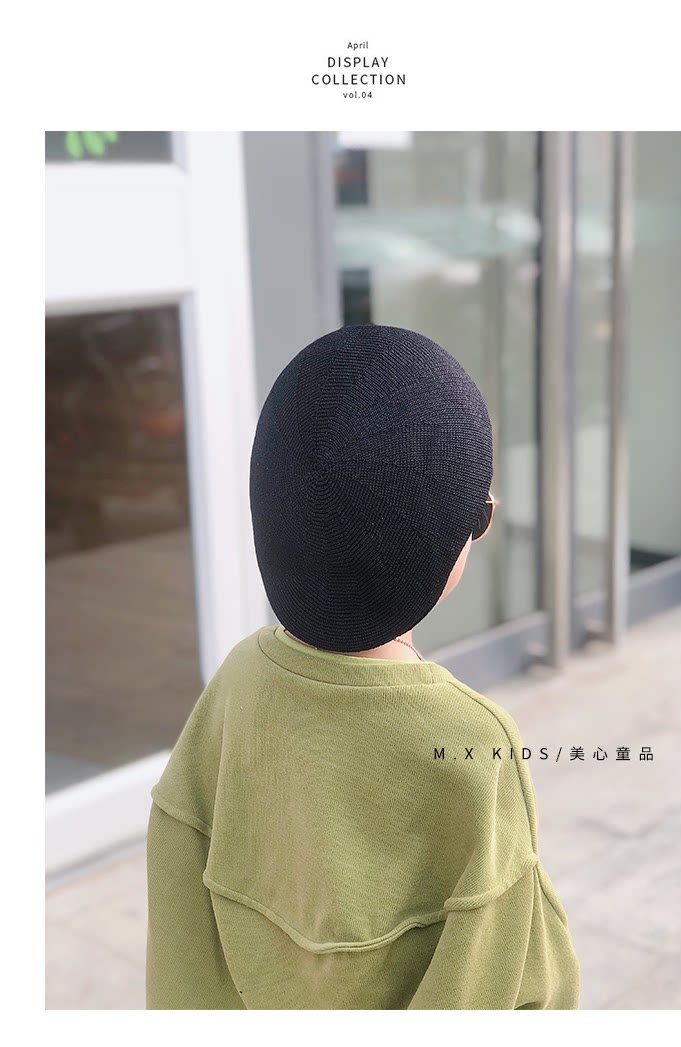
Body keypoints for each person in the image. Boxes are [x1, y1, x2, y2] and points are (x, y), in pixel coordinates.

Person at [145, 324, 581, 1009]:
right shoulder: (474, 741)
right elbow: (511, 977)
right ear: (461, 531)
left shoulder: (235, 683)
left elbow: (180, 923)